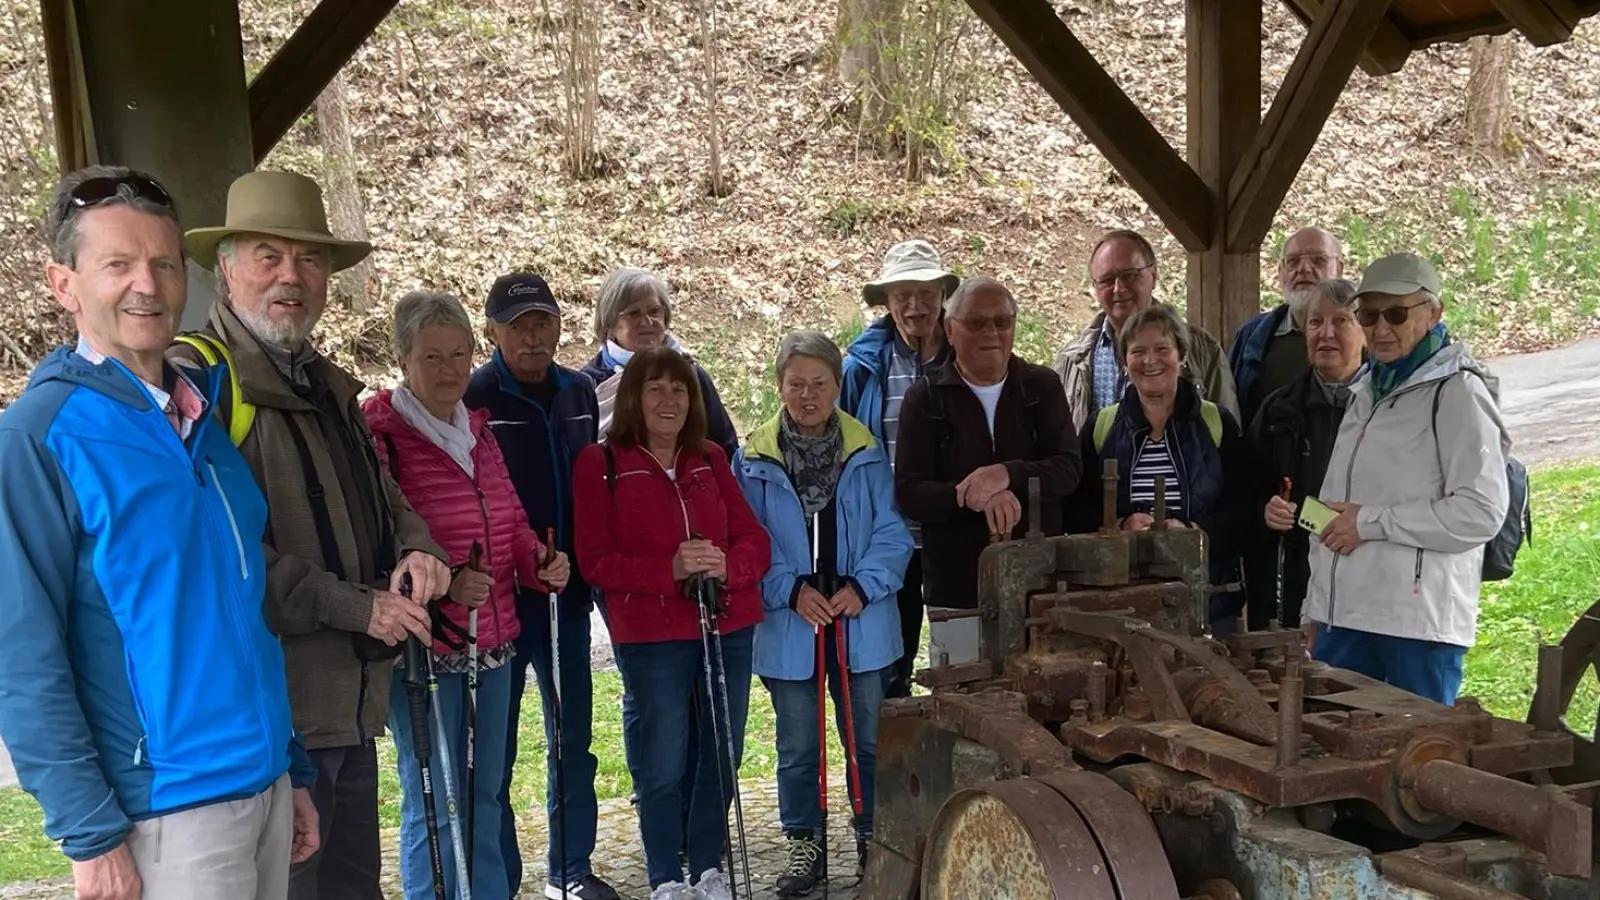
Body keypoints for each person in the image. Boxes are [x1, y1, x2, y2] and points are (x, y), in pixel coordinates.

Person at [0, 166, 318, 899]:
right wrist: (89, 832)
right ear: (64, 283)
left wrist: (291, 765)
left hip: (262, 782)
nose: (147, 284)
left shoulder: (200, 420)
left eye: (164, 264)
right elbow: (21, 660)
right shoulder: (40, 440)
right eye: (117, 264)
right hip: (163, 813)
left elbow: (241, 614)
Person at [177, 170, 452, 899]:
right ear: (226, 267)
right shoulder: (195, 385)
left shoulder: (327, 385)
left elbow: (386, 500)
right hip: (271, 725)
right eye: (268, 255)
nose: (290, 277)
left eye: (309, 259)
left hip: (350, 710)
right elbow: (215, 553)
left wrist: (420, 550)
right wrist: (357, 607)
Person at [364, 292, 575, 900]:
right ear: (404, 358)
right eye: (433, 356)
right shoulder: (382, 436)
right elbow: (381, 543)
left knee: (486, 788)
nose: (450, 369)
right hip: (428, 646)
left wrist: (540, 562)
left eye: (460, 354)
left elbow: (507, 522)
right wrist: (448, 583)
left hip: (496, 641)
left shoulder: (477, 431)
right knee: (434, 790)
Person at [572, 347, 771, 899]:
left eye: (679, 389)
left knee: (721, 751)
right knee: (662, 759)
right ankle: (665, 875)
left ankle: (707, 865)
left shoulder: (708, 458)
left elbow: (754, 539)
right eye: (655, 388)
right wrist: (670, 569)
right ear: (633, 397)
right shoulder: (601, 462)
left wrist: (728, 566)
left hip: (725, 625)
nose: (669, 400)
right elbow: (596, 560)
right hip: (652, 635)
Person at [735, 332, 913, 893]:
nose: (808, 395)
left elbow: (892, 531)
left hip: (858, 614)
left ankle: (873, 836)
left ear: (838, 384)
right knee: (797, 746)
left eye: (819, 383)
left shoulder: (866, 452)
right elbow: (747, 540)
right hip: (791, 619)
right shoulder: (754, 460)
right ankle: (803, 845)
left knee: (867, 738)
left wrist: (864, 586)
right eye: (796, 384)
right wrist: (788, 590)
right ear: (779, 386)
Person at [463, 273, 620, 900]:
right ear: (494, 332)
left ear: (559, 325)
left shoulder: (579, 391)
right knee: (495, 751)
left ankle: (570, 871)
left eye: (542, 322)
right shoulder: (475, 395)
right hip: (499, 598)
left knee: (572, 738)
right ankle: (498, 878)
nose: (532, 336)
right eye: (517, 324)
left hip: (567, 596)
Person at [1303, 253, 1510, 705]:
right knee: (1332, 762)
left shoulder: (1457, 392)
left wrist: (1370, 523)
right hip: (1345, 620)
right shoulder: (1365, 391)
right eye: (1370, 315)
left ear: (1434, 313)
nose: (1381, 328)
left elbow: (1481, 512)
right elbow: (1330, 509)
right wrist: (1315, 608)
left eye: (1397, 314)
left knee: (1419, 764)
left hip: (1415, 626)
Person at [895, 276, 1081, 666]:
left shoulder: (1042, 386)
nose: (992, 333)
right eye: (977, 323)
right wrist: (970, 494)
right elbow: (911, 493)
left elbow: (1068, 469)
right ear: (950, 329)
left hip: (1040, 588)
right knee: (963, 701)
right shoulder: (924, 399)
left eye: (1003, 322)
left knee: (1046, 698)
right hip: (957, 589)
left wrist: (1007, 474)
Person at [1069, 303, 1252, 633]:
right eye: (1137, 351)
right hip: (1123, 598)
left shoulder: (1215, 422)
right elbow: (1075, 504)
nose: (1150, 361)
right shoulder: (1102, 426)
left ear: (1181, 356)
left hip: (1208, 598)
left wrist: (1196, 533)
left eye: (1162, 349)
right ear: (1124, 363)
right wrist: (1119, 524)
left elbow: (1243, 503)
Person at [840, 239, 957, 700]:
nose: (915, 304)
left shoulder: (964, 355)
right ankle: (894, 761)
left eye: (926, 291)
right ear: (886, 302)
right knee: (891, 662)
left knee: (960, 653)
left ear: (942, 296)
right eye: (902, 293)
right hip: (887, 538)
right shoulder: (862, 367)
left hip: (952, 534)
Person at [1244, 278, 1366, 631]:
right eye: (1315, 322)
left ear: (1365, 331)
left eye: (1341, 321)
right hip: (1295, 584)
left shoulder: (1387, 409)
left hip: (1371, 583)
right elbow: (1243, 490)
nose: (1325, 333)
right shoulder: (1278, 411)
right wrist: (1264, 511)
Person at [1054, 230, 1239, 432]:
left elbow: (1229, 435)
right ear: (1094, 287)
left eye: (1129, 275)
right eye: (1107, 280)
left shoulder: (1201, 350)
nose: (1119, 288)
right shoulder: (1072, 360)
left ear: (1153, 275)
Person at [584, 267, 740, 458]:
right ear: (609, 325)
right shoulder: (588, 385)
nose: (647, 321)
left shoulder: (691, 374)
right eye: (634, 313)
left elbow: (726, 449)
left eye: (654, 311)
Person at [1230, 227, 1346, 427]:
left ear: (1340, 269)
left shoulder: (1364, 331)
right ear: (1280, 272)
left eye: (1318, 260)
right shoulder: (1252, 335)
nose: (1304, 269)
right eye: (1292, 261)